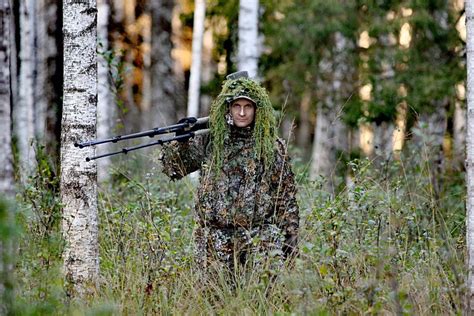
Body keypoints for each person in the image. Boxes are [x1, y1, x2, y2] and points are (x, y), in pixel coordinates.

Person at [160, 71, 299, 275]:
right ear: (228, 108)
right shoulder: (210, 140)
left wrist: (290, 242)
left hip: (259, 238)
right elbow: (173, 169)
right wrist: (180, 143)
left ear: (256, 109)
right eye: (236, 106)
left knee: (262, 298)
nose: (242, 113)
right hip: (214, 239)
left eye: (248, 106)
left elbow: (285, 198)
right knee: (212, 302)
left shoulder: (272, 146)